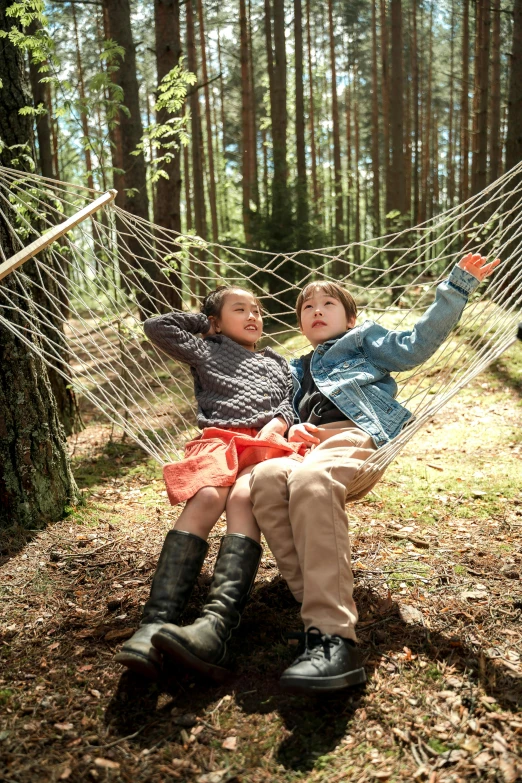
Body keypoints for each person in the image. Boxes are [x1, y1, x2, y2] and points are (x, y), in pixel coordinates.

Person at [249, 253, 500, 695]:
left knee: (312, 483)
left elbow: (417, 344)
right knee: (267, 478)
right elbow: (281, 410)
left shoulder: (363, 342)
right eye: (307, 308)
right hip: (306, 444)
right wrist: (291, 427)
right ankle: (313, 599)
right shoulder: (295, 367)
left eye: (327, 304)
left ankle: (333, 639)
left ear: (350, 317)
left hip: (355, 436)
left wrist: (458, 286)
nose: (316, 311)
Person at [116, 286, 303, 680]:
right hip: (219, 440)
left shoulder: (277, 361)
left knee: (243, 498)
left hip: (263, 443)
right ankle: (153, 624)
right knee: (205, 496)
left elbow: (289, 401)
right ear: (217, 321)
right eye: (240, 310)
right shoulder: (207, 348)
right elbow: (157, 327)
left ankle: (215, 627)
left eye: (257, 310)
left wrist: (280, 422)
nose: (253, 316)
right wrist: (207, 323)